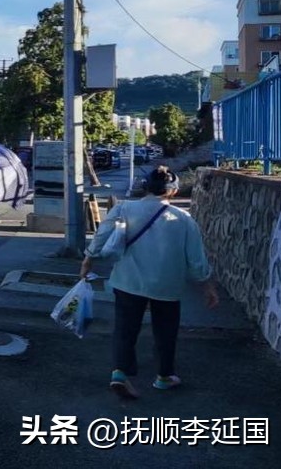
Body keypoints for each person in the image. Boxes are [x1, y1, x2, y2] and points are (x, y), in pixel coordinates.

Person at [81, 168, 218, 399]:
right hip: (167, 284)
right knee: (165, 331)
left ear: (146, 187)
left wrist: (88, 259)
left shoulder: (124, 208)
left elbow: (102, 234)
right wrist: (207, 286)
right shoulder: (184, 219)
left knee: (125, 329)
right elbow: (196, 259)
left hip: (128, 280)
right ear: (173, 192)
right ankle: (164, 376)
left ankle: (119, 374)